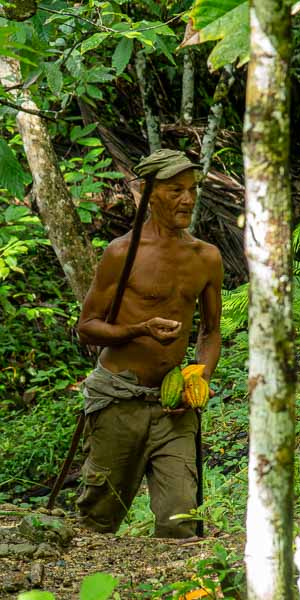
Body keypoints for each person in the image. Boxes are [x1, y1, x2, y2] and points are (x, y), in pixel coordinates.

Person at [76, 149, 223, 538]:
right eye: (176, 190)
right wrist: (138, 329)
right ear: (147, 193)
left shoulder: (205, 257)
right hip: (118, 399)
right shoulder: (121, 253)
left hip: (173, 407)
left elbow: (210, 331)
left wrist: (199, 378)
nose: (187, 199)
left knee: (181, 522)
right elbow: (87, 327)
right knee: (98, 520)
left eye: (192, 189)